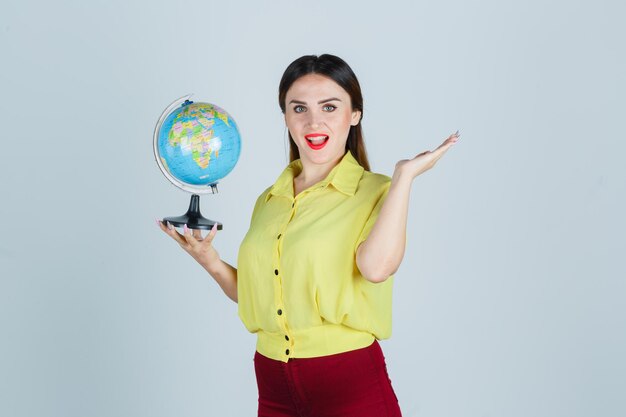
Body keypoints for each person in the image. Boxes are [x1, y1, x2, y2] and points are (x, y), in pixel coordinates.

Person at [158, 54, 459, 417]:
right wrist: (209, 260)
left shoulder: (376, 190)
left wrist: (404, 177)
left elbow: (376, 268)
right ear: (285, 117)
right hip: (272, 384)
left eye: (330, 107)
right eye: (299, 108)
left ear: (355, 115)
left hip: (348, 383)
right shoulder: (269, 200)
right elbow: (259, 295)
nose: (313, 121)